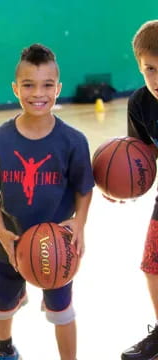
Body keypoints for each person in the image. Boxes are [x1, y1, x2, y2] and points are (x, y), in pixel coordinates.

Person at [0, 44, 94, 360]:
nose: (38, 93)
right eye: (28, 84)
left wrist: (80, 222)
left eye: (46, 85)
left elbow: (85, 187)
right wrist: (1, 231)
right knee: (1, 304)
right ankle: (6, 350)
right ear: (16, 88)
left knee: (62, 309)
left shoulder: (73, 141)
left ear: (59, 88)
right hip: (8, 242)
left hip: (57, 244)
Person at [121, 20, 158, 360]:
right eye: (150, 69)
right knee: (153, 265)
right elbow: (141, 161)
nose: (157, 78)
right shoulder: (141, 104)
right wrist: (120, 185)